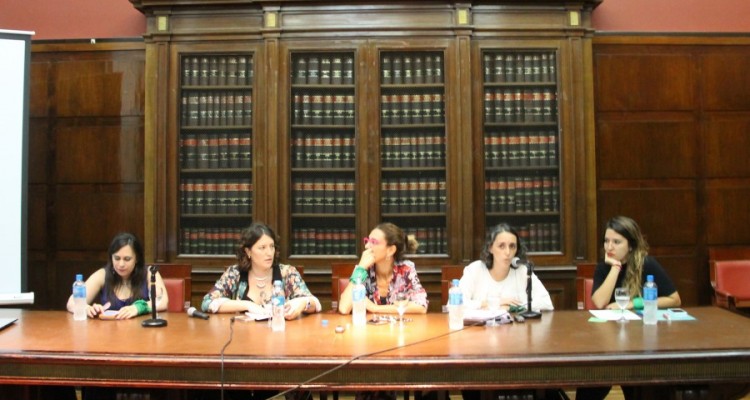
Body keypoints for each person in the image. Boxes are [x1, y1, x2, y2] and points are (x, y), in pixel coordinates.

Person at [578, 216, 682, 400]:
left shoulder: (647, 264)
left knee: (644, 385)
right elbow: (600, 302)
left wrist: (635, 303)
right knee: (590, 385)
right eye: (606, 241)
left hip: (640, 340)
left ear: (631, 245)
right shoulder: (604, 268)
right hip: (607, 342)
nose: (609, 247)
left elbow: (674, 300)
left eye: (616, 242)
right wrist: (615, 268)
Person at [201, 222, 321, 318]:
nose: (269, 253)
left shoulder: (287, 273)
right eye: (262, 248)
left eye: (271, 246)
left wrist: (303, 303)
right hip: (243, 340)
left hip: (280, 340)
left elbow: (316, 303)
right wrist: (247, 305)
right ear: (248, 252)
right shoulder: (235, 274)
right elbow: (207, 303)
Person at [66, 232, 168, 319]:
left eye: (127, 259)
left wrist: (138, 308)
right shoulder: (102, 275)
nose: (121, 264)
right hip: (110, 335)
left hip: (142, 334)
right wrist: (87, 308)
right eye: (117, 258)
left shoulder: (150, 273)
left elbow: (162, 301)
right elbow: (72, 303)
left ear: (137, 259)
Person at [338, 222, 428, 315]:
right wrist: (361, 268)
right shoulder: (363, 268)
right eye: (367, 240)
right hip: (369, 328)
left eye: (373, 242)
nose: (366, 246)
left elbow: (421, 306)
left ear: (390, 250)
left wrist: (375, 308)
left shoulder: (405, 269)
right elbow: (344, 308)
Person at [460, 223, 554, 312]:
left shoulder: (522, 271)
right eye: (501, 246)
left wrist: (511, 308)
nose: (508, 252)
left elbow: (546, 303)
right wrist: (495, 303)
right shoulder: (475, 270)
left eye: (512, 246)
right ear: (490, 248)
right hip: (481, 328)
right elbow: (455, 304)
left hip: (515, 328)